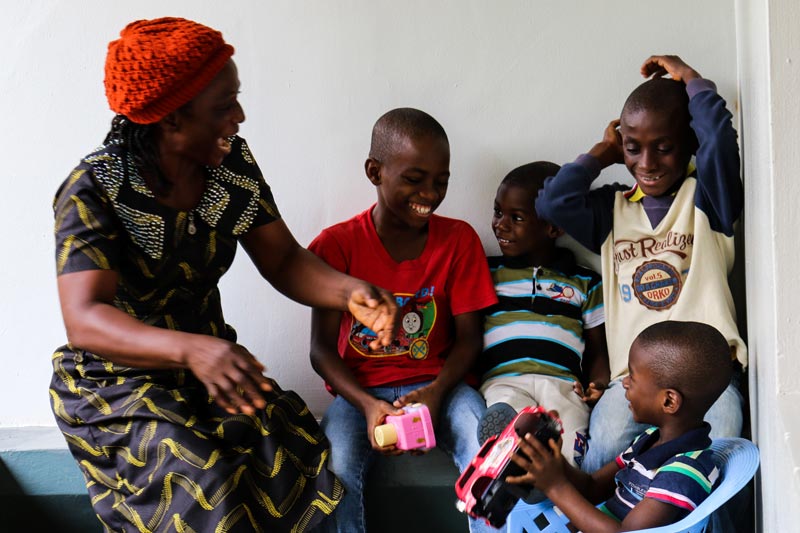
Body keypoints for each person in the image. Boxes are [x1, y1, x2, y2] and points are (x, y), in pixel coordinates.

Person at [50, 17, 399, 533]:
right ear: (171, 120)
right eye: (223, 106)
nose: (239, 116)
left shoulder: (229, 165)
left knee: (292, 461)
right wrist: (191, 349)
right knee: (203, 481)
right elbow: (85, 319)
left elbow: (282, 260)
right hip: (116, 381)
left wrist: (350, 292)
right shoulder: (93, 189)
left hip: (211, 367)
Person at [535, 55, 747, 473]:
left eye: (664, 148)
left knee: (719, 456)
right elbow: (552, 202)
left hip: (708, 377)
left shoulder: (707, 199)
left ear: (688, 144)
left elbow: (720, 141)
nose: (647, 163)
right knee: (602, 455)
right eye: (634, 149)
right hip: (633, 382)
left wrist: (691, 80)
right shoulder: (611, 211)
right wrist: (603, 153)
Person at [307, 107, 498, 533]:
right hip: (359, 393)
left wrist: (435, 392)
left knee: (483, 443)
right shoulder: (336, 246)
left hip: (441, 385)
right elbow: (321, 350)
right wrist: (366, 404)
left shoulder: (459, 240)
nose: (429, 193)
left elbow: (469, 340)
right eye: (414, 179)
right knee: (335, 465)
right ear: (375, 171)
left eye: (441, 181)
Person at [506, 321, 733, 532]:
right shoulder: (649, 440)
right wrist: (554, 461)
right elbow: (592, 487)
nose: (624, 382)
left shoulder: (684, 471)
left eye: (632, 378)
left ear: (668, 401)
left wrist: (555, 487)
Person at [478, 162, 610, 469]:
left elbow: (597, 350)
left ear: (554, 227)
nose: (500, 224)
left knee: (571, 438)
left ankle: (549, 481)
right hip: (505, 381)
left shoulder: (585, 281)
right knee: (509, 418)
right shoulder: (486, 273)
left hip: (564, 384)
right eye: (498, 212)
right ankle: (514, 463)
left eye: (517, 217)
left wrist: (599, 384)